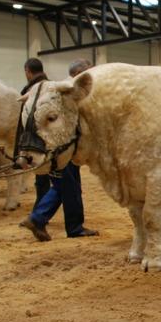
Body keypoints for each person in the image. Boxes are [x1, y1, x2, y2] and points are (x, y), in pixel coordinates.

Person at [19, 58, 98, 241]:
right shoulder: (64, 91)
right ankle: (68, 226)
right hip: (62, 148)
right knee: (69, 187)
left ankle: (39, 218)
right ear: (79, 73)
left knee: (62, 186)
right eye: (88, 71)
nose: (91, 75)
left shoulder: (54, 89)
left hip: (55, 148)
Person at [21, 58, 51, 209]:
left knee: (43, 180)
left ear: (28, 71)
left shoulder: (34, 90)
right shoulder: (50, 86)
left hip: (38, 143)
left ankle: (39, 213)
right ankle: (40, 212)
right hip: (49, 141)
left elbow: (29, 123)